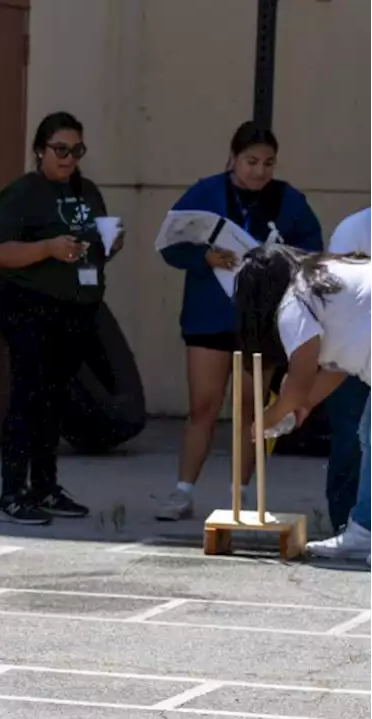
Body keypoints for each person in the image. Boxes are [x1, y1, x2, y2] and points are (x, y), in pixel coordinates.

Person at [155, 121, 322, 521]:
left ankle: (241, 493)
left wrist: (280, 261)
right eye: (251, 161)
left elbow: (313, 253)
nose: (259, 171)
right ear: (232, 159)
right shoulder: (206, 192)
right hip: (208, 316)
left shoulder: (289, 200)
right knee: (203, 406)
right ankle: (182, 490)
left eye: (268, 162)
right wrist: (203, 258)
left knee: (250, 408)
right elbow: (170, 245)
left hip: (261, 321)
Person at [0, 112, 124, 525]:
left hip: (77, 306)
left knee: (56, 398)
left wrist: (110, 244)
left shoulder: (88, 191)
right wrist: (47, 248)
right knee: (27, 396)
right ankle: (12, 493)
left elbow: (97, 245)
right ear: (40, 151)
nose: (68, 159)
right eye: (60, 150)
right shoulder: (23, 193)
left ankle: (45, 486)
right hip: (29, 302)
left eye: (76, 151)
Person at [235, 243, 372, 566]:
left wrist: (267, 418)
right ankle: (364, 530)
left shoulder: (294, 302)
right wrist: (304, 404)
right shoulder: (322, 279)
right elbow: (337, 367)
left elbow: (299, 377)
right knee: (369, 435)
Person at [304, 207, 372, 556]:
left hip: (361, 348)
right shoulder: (355, 228)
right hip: (361, 348)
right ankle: (358, 525)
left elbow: (331, 368)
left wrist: (295, 406)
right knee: (359, 436)